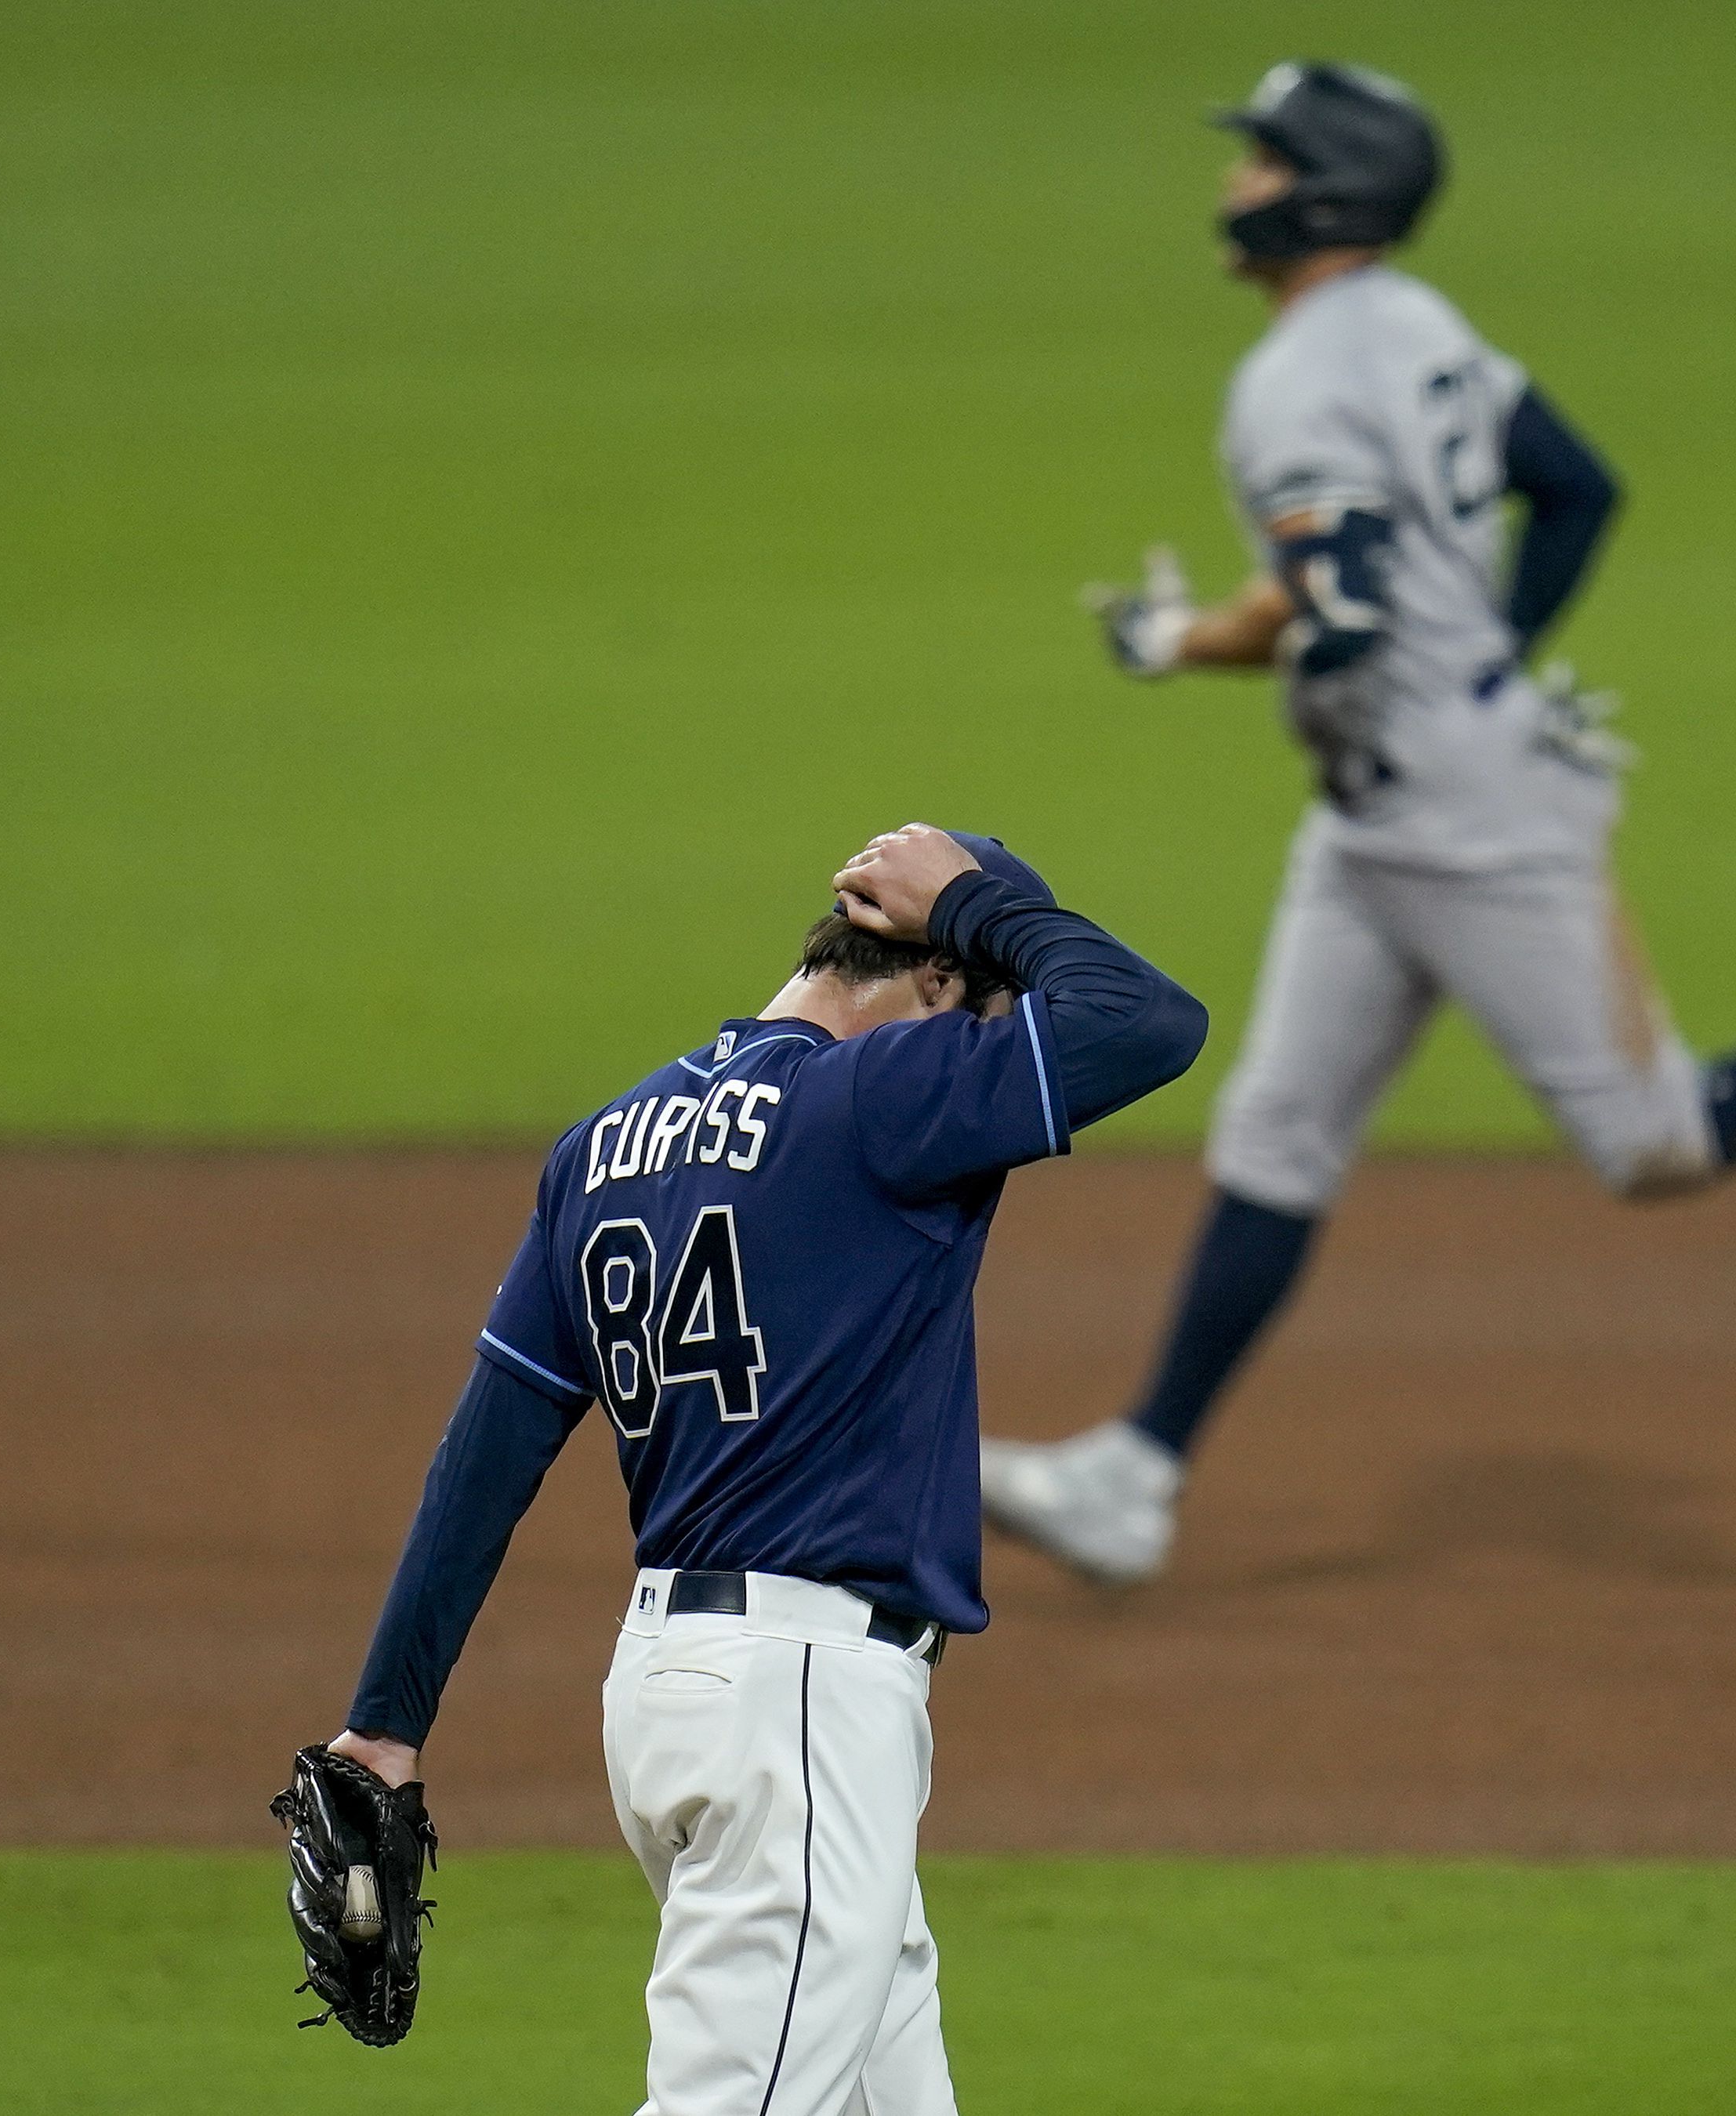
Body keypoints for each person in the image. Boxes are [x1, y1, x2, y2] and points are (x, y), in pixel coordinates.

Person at [979, 61, 1736, 1589]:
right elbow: (1575, 491)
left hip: (1469, 824)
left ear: (1325, 191)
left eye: (1259, 162)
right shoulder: (1418, 327)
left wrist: (1195, 643)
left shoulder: (1291, 382)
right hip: (1383, 818)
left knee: (1656, 1141)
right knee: (1277, 1132)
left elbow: (1340, 615)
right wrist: (1486, 654)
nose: (1232, 185)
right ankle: (1136, 1474)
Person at [319, 824, 1204, 2114]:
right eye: (992, 1008)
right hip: (800, 1714)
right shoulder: (882, 1098)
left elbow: (484, 1459)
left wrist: (387, 1722)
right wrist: (981, 905)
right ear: (942, 979)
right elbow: (1149, 1022)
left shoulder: (604, 1148)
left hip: (675, 1699)